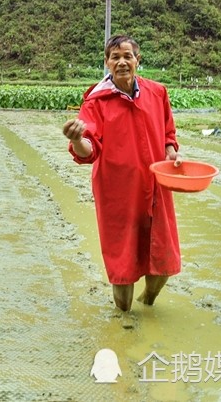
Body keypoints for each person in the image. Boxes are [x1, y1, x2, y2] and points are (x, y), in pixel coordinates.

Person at [62, 35, 183, 313]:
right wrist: (77, 139)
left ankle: (148, 302)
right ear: (107, 63)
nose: (122, 62)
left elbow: (168, 132)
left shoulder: (157, 93)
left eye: (127, 56)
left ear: (138, 61)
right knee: (123, 261)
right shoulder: (97, 102)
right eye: (115, 57)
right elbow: (88, 149)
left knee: (162, 256)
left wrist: (170, 150)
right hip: (118, 191)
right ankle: (124, 316)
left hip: (156, 186)